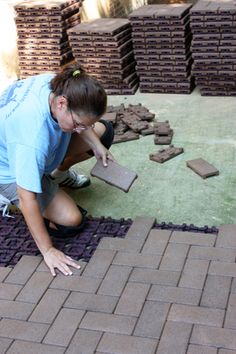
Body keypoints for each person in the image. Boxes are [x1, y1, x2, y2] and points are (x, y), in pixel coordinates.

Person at [0, 63, 114, 276]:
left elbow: (85, 127)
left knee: (102, 133)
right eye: (79, 124)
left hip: (30, 151)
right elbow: (27, 197)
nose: (81, 129)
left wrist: (97, 145)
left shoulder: (61, 84)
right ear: (62, 103)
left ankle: (57, 176)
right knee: (72, 222)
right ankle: (6, 198)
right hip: (9, 170)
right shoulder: (32, 138)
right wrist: (48, 250)